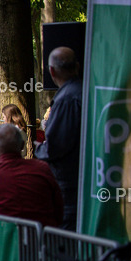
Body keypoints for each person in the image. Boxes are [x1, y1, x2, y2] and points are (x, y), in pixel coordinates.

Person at [0, 124, 63, 227]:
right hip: (43, 238)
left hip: (4, 238)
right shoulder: (42, 169)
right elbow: (58, 205)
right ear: (22, 145)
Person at [35, 46, 82, 231]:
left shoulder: (67, 100)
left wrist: (39, 148)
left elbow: (56, 146)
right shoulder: (85, 91)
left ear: (51, 71)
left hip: (69, 184)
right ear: (77, 66)